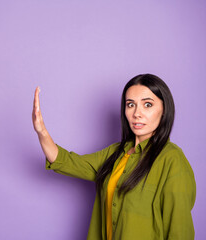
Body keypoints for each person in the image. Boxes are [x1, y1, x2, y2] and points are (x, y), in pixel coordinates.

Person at [32, 74, 196, 240]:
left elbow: (180, 231)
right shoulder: (115, 153)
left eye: (147, 104)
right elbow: (66, 162)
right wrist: (42, 132)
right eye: (130, 104)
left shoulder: (172, 160)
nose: (137, 113)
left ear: (164, 110)